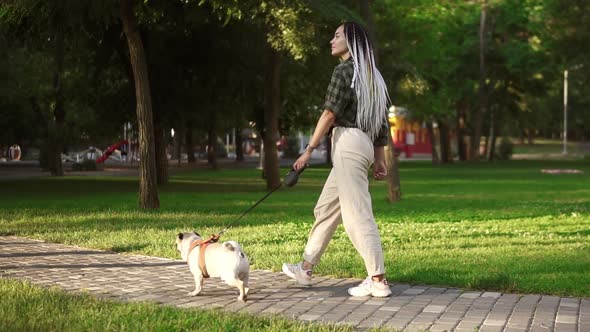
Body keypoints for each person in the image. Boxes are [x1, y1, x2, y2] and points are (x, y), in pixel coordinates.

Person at [282, 22, 392, 297]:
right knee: (327, 208)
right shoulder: (373, 76)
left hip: (348, 144)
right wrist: (379, 158)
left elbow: (329, 114)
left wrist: (309, 149)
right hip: (362, 145)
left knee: (357, 212)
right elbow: (381, 124)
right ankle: (305, 268)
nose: (331, 40)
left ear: (351, 42)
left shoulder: (344, 71)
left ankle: (377, 279)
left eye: (337, 36)